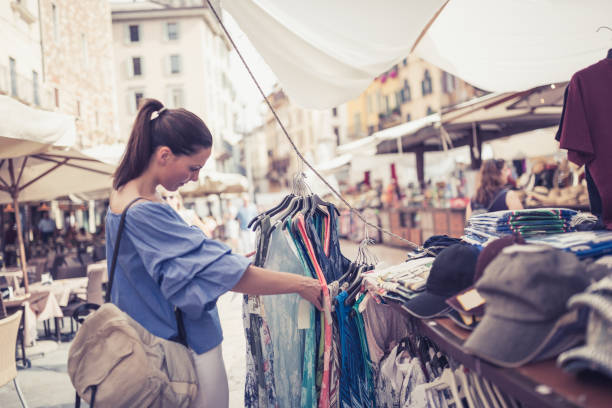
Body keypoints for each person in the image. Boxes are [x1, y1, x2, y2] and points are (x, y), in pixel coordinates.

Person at [107, 99, 322, 408]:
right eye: (193, 167)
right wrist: (302, 284)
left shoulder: (123, 193)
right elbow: (227, 275)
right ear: (164, 155)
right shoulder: (144, 211)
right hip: (182, 347)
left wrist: (220, 259)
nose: (194, 177)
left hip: (152, 342)